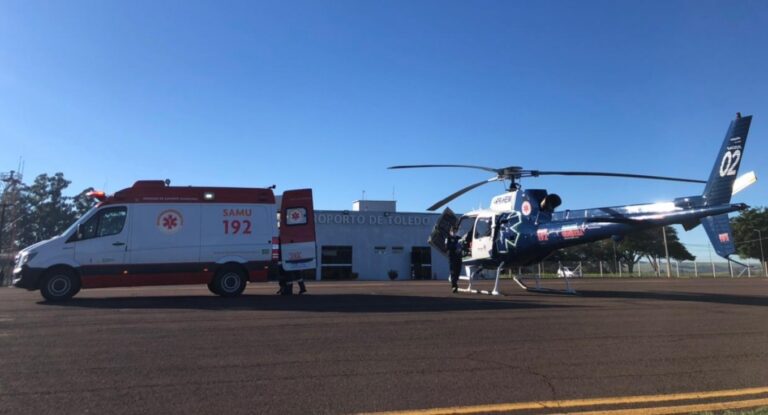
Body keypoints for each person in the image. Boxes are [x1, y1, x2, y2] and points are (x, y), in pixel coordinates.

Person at [446, 229, 463, 293]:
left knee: (458, 272)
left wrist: (460, 247)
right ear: (450, 232)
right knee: (453, 271)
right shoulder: (448, 238)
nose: (454, 233)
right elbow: (447, 247)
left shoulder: (459, 238)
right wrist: (454, 246)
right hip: (452, 257)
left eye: (455, 231)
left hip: (458, 257)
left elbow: (462, 245)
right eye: (452, 231)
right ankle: (454, 286)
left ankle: (455, 282)